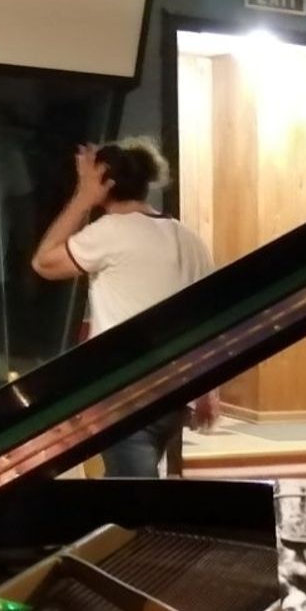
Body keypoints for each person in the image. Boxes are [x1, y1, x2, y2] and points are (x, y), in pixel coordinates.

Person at [30, 138, 211, 477]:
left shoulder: (109, 233)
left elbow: (44, 262)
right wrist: (207, 391)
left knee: (132, 501)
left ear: (104, 185)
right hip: (177, 391)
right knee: (135, 487)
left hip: (126, 393)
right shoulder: (189, 238)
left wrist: (82, 199)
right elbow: (208, 321)